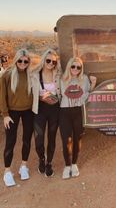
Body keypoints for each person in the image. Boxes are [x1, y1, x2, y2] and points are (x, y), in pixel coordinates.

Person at [0, 49, 34, 187]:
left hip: (28, 112)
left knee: (26, 139)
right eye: (20, 60)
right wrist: (5, 115)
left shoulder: (31, 75)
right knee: (10, 141)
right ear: (16, 60)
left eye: (26, 61)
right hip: (12, 113)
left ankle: (23, 166)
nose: (22, 63)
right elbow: (2, 97)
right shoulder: (7, 75)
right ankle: (7, 171)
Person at [59, 57, 96, 179]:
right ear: (69, 67)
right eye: (73, 66)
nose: (75, 69)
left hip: (78, 111)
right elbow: (63, 93)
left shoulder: (84, 79)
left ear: (81, 68)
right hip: (64, 111)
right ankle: (67, 165)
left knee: (77, 138)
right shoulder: (63, 79)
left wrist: (93, 84)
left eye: (78, 67)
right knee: (66, 140)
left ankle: (74, 164)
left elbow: (87, 94)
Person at [31, 49, 62, 177]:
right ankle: (41, 159)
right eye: (48, 60)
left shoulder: (58, 75)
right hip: (40, 109)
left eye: (53, 62)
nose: (50, 64)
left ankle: (49, 162)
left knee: (52, 137)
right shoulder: (34, 74)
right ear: (43, 60)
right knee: (39, 139)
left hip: (55, 109)